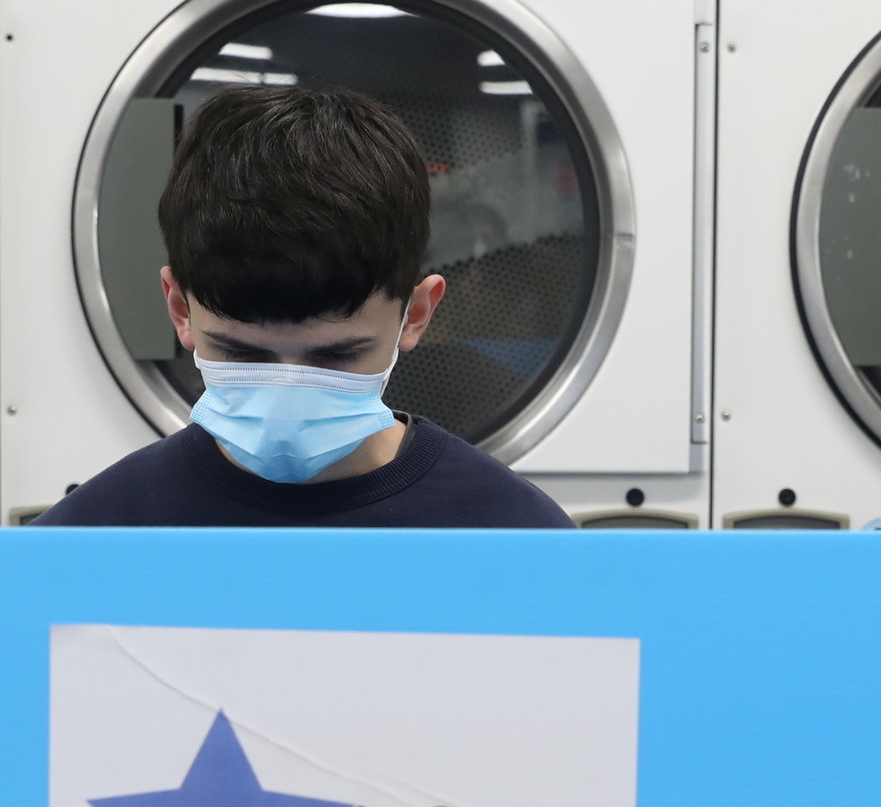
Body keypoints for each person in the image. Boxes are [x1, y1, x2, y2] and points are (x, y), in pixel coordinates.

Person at [36, 85, 572, 529]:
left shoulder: (515, 537)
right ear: (180, 309)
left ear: (415, 314)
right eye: (243, 355)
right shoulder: (93, 537)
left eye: (335, 357)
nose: (284, 400)